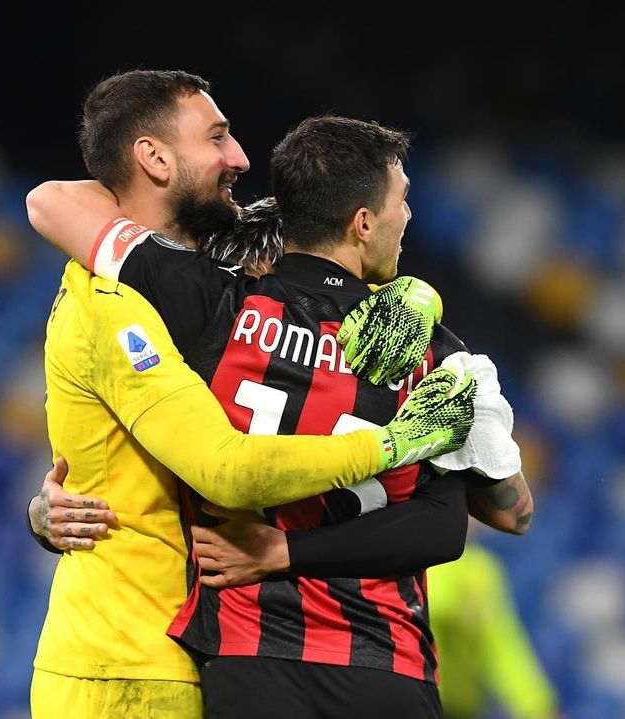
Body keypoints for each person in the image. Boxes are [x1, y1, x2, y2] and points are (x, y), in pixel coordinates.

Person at [29, 104, 534, 718]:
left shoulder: (211, 307)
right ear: (364, 221)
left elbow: (51, 202)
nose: (409, 214)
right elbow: (495, 515)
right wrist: (430, 365)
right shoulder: (432, 352)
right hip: (384, 662)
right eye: (402, 200)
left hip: (248, 661)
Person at [428, 521, 561, 719]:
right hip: (414, 701)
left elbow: (502, 644)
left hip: (457, 708)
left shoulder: (481, 571)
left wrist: (538, 708)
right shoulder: (402, 562)